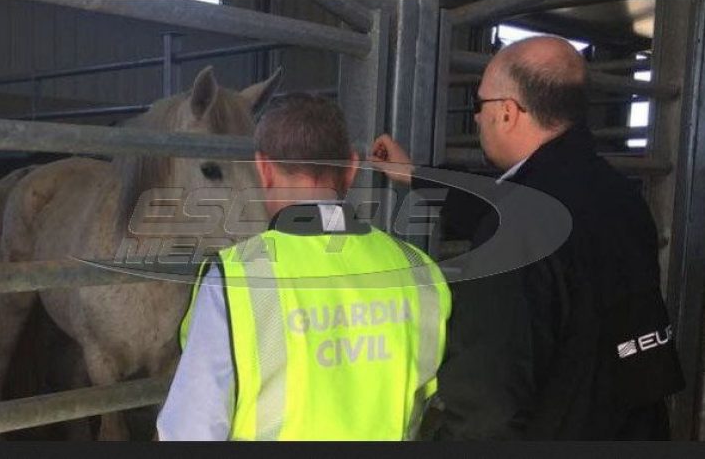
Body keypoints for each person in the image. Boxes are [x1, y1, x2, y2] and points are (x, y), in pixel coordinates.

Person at [369, 35, 684, 440]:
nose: (477, 118)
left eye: (479, 104)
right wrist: (413, 175)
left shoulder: (519, 224)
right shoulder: (615, 194)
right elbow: (501, 204)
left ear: (508, 112)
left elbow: (486, 411)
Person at [156, 93, 451, 441]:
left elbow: (190, 430)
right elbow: (426, 398)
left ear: (263, 169)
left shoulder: (236, 280)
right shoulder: (418, 270)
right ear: (352, 168)